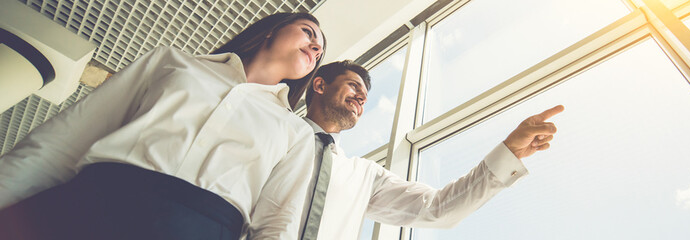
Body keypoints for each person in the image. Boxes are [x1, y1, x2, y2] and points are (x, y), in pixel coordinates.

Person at [0, 12, 325, 240]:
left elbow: (276, 228)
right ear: (272, 29)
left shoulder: (295, 133)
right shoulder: (171, 62)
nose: (314, 47)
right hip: (92, 199)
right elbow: (64, 141)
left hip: (200, 229)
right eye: (308, 32)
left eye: (319, 50)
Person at [249, 60, 564, 239]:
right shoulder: (271, 131)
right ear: (319, 86)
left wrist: (508, 152)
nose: (361, 98)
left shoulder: (364, 176)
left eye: (365, 96)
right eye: (354, 86)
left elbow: (439, 208)